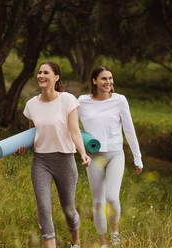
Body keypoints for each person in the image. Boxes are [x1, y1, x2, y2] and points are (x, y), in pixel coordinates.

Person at [16, 61, 91, 248]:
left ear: (56, 77)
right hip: (41, 161)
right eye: (39, 72)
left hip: (65, 160)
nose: (40, 75)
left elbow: (74, 131)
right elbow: (32, 133)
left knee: (68, 209)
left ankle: (75, 243)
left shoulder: (67, 100)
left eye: (45, 72)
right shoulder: (31, 104)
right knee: (43, 207)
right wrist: (21, 146)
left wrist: (83, 153)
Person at [78, 66, 143, 248]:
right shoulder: (82, 101)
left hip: (115, 154)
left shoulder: (120, 100)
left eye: (110, 78)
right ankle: (103, 243)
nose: (108, 82)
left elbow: (129, 130)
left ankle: (114, 233)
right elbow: (72, 126)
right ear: (94, 81)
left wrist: (137, 158)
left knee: (112, 197)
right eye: (104, 79)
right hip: (92, 156)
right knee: (98, 201)